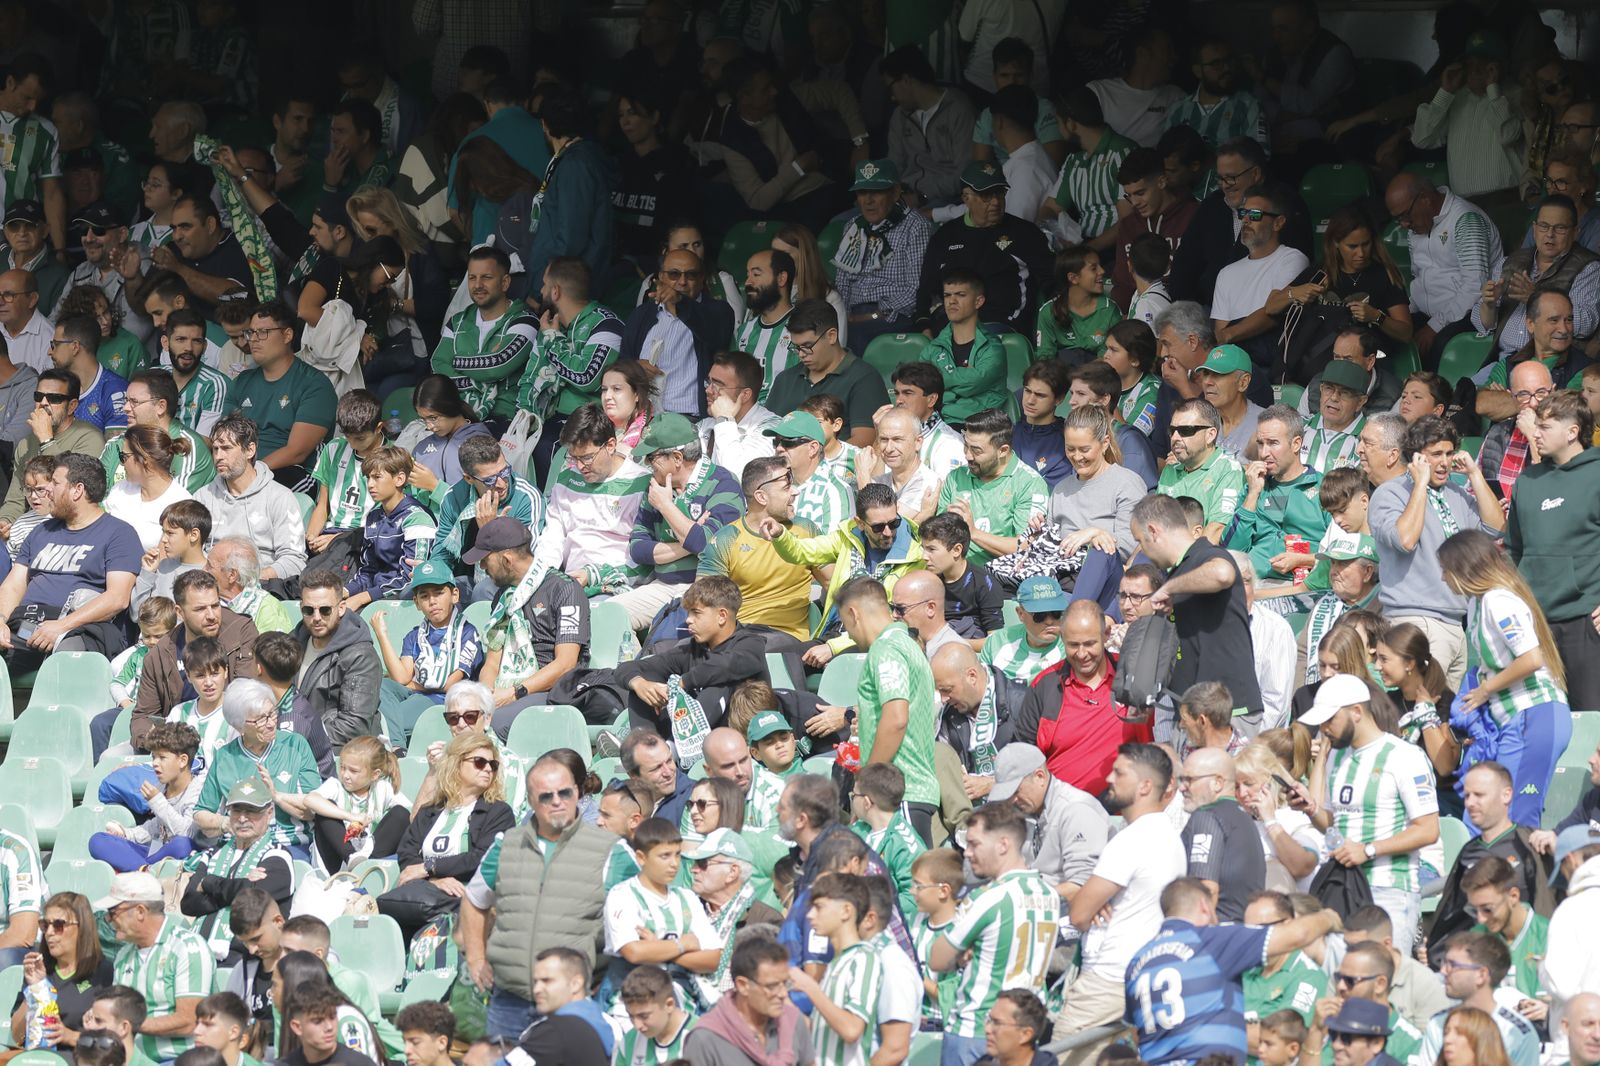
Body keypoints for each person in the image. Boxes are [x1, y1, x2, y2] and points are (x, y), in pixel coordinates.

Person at [460, 752, 612, 1040]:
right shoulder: (505, 846)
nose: (557, 801)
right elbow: (473, 901)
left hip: (573, 1004)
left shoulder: (609, 850)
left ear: (578, 792)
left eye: (565, 793)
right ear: (530, 801)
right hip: (509, 1002)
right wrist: (476, 958)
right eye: (546, 796)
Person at [1056, 744, 1187, 1066]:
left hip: (1107, 980)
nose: (1108, 778)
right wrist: (1098, 897)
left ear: (1145, 786)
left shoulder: (1131, 839)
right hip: (1141, 976)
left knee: (1059, 1058)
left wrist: (1094, 898)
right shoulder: (1169, 836)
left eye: (1120, 772)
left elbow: (1079, 913)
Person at [1292, 673, 1441, 954]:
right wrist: (1312, 811)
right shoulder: (1337, 756)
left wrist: (1369, 850)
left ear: (1357, 712)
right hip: (1344, 888)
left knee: (1383, 983)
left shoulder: (1404, 756)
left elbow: (1428, 829)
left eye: (1330, 719)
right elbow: (1336, 826)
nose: (1324, 729)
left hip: (1390, 891)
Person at [1128, 878, 1344, 1066]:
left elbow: (1135, 1034)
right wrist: (1329, 917)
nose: (1248, 935)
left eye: (1260, 929)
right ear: (1205, 907)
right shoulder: (1213, 941)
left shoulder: (1137, 961)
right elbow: (1300, 934)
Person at [1369, 416, 1504, 690]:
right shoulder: (1390, 493)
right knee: (1421, 712)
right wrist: (1419, 484)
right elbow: (1405, 539)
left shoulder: (1456, 493)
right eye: (1436, 454)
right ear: (1416, 458)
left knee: (1444, 719)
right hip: (1414, 620)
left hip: (1456, 623)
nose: (1444, 462)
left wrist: (1475, 474)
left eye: (1449, 453)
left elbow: (1495, 528)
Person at [926, 803, 1060, 1066]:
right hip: (1022, 1032)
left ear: (1002, 845)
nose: (967, 853)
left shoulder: (987, 898)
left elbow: (937, 960)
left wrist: (963, 953)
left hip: (977, 1027)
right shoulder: (1049, 894)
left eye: (975, 844)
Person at [0, 451, 141, 670]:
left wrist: (61, 626)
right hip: (29, 625)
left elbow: (117, 598)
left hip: (79, 629)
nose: (48, 491)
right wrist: (1, 620)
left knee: (68, 654)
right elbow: (13, 585)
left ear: (78, 490)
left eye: (55, 483)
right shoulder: (41, 531)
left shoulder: (119, 534)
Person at [1134, 493, 1264, 730]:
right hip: (1193, 716)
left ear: (1153, 531)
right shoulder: (1176, 572)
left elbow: (1222, 573)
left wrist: (1171, 588)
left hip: (1229, 714)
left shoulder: (1208, 554)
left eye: (1140, 541)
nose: (1142, 551)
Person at [1506, 391, 1600, 711]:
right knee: (1541, 719)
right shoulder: (1528, 480)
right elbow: (1514, 550)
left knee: (1589, 718)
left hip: (1585, 620)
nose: (1536, 433)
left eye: (1545, 427)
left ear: (1572, 432)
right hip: (1534, 622)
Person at [837, 575, 940, 844]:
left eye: (845, 624)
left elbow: (896, 719)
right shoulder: (909, 644)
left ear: (853, 614)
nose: (848, 633)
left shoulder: (886, 649)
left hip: (898, 795)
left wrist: (866, 782)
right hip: (912, 792)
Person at [913, 162, 1052, 336]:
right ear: (966, 199)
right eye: (986, 195)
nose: (995, 202)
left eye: (1000, 193)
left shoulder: (1025, 233)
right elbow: (926, 287)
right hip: (952, 324)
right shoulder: (945, 236)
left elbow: (1050, 282)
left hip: (1003, 325)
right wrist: (923, 323)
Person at [1384, 174, 1503, 365]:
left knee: (1438, 345)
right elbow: (1418, 277)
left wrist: (1433, 327)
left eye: (1405, 215)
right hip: (1428, 314)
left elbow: (1474, 288)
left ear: (1425, 198)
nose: (1404, 224)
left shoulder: (1465, 220)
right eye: (1398, 219)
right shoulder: (1417, 227)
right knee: (1389, 334)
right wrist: (1405, 315)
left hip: (1468, 314)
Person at [533, 403, 650, 597]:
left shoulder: (640, 484)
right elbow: (552, 539)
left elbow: (644, 559)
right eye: (573, 457)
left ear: (611, 445)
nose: (580, 466)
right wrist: (544, 576)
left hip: (616, 586)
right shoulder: (566, 479)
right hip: (569, 583)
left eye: (587, 457)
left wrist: (595, 575)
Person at [97, 871, 215, 1063]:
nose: (109, 920)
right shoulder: (123, 956)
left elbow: (190, 1020)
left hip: (182, 1059)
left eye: (113, 912)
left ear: (140, 911)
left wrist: (129, 1025)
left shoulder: (188, 948)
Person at [195, 679, 322, 849]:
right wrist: (228, 823)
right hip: (238, 846)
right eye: (260, 720)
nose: (271, 723)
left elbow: (314, 810)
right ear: (239, 726)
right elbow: (200, 813)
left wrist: (277, 797)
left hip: (288, 843)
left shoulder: (295, 744)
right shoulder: (225, 756)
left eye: (272, 713)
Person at [224, 302, 337, 491]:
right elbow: (226, 437)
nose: (253, 339)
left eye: (263, 332)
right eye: (251, 333)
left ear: (287, 335)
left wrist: (252, 472)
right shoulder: (241, 382)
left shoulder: (315, 384)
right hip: (242, 469)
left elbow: (297, 452)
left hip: (294, 472)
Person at [179, 779, 294, 963]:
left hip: (246, 956)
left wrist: (209, 883)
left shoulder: (278, 855)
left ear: (269, 812)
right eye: (237, 811)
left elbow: (256, 898)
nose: (242, 818)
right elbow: (188, 903)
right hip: (197, 955)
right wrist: (241, 886)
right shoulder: (213, 853)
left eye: (251, 811)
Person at [1473, 197, 1600, 363]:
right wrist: (1489, 304)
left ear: (1576, 232)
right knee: (1468, 387)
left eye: (1560, 228)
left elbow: (1586, 323)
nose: (1549, 234)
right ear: (1534, 229)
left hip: (1553, 362)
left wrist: (1535, 298)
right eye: (1544, 226)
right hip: (1504, 361)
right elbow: (1485, 325)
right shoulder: (1509, 262)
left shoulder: (1588, 267)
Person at [520, 258, 625, 446]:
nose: (541, 291)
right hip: (549, 421)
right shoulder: (551, 326)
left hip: (590, 424)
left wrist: (553, 338)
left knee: (547, 447)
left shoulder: (607, 324)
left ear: (555, 291)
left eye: (545, 285)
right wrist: (522, 421)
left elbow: (587, 378)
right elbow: (531, 376)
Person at [428, 246, 537, 425]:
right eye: (472, 278)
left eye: (486, 277)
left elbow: (496, 366)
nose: (477, 285)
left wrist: (457, 361)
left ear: (505, 282)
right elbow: (438, 365)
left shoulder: (525, 320)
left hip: (505, 418)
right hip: (458, 412)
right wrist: (483, 377)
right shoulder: (457, 322)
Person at [833, 158, 934, 352]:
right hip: (852, 317)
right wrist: (843, 316)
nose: (868, 201)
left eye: (876, 192)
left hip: (894, 317)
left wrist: (874, 315)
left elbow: (916, 289)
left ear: (896, 193)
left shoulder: (915, 226)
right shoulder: (853, 226)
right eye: (862, 192)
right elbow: (842, 283)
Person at [1411, 31, 1524, 199]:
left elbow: (1508, 135)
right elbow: (1422, 139)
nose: (1475, 70)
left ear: (1500, 66)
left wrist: (1492, 89)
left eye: (1484, 63)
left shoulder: (1516, 94)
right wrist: (1445, 91)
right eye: (1470, 63)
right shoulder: (1456, 98)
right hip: (1465, 203)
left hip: (1506, 199)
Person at [1212, 184, 1311, 374]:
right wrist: (1226, 336)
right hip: (1233, 363)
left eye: (1255, 214)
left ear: (1278, 222)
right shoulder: (1226, 273)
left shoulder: (1292, 259)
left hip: (1268, 362)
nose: (1246, 220)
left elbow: (1272, 313)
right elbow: (1221, 333)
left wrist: (1229, 334)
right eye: (1243, 213)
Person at [622, 250, 732, 417]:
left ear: (702, 279)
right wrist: (634, 368)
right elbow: (621, 364)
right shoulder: (642, 314)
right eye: (674, 274)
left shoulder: (717, 311)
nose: (682, 282)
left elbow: (715, 335)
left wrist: (680, 303)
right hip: (643, 418)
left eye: (691, 275)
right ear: (661, 277)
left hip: (690, 420)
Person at [937, 408, 1048, 567]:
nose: (967, 455)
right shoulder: (956, 478)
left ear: (1002, 450)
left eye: (976, 450)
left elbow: (1025, 546)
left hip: (999, 580)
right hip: (950, 575)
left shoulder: (1030, 484)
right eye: (966, 446)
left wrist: (974, 533)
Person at [765, 299, 888, 443]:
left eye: (807, 345)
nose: (801, 354)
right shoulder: (785, 379)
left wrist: (811, 463)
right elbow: (765, 434)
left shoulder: (865, 378)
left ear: (831, 336)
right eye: (797, 347)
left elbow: (863, 442)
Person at [427, 434, 543, 583]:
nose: (501, 484)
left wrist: (491, 530)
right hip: (461, 577)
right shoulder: (453, 496)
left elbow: (524, 563)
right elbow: (442, 552)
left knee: (482, 590)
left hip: (506, 582)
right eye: (490, 480)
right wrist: (432, 575)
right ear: (468, 479)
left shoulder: (527, 498)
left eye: (504, 472)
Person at [683, 935, 814, 1066]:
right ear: (742, 986)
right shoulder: (706, 1038)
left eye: (786, 983)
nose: (783, 994)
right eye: (771, 986)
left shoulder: (793, 1021)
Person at [6, 890, 114, 1047]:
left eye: (58, 925)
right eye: (45, 925)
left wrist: (70, 1036)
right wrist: (36, 987)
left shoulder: (104, 973)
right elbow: (17, 1035)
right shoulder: (40, 971)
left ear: (82, 928)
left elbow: (112, 1040)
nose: (49, 933)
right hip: (40, 1059)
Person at [1416, 935, 1541, 1066]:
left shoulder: (1517, 1032)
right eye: (1444, 963)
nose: (1443, 971)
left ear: (1481, 975)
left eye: (1452, 965)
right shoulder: (1438, 1023)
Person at [1178, 749, 1267, 919]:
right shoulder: (1243, 817)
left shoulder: (1207, 816)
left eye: (1189, 779)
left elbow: (1206, 889)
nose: (1182, 787)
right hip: (1243, 932)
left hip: (1216, 932)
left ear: (1217, 782)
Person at [1107, 148, 1197, 308]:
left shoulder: (1194, 217)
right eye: (1129, 196)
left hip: (1186, 316)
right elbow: (1122, 284)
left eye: (1140, 193)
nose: (1134, 203)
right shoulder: (1129, 226)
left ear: (1161, 182)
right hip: (1139, 319)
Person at [1157, 396, 1247, 541]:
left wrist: (1182, 563)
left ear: (1210, 435)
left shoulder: (1229, 470)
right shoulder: (1170, 469)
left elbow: (1216, 532)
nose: (1175, 437)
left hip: (1200, 559)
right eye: (1172, 430)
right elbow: (1155, 527)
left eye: (1185, 430)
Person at [699, 350, 780, 480]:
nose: (708, 390)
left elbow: (737, 477)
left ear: (745, 395)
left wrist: (724, 420)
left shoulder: (771, 428)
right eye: (709, 382)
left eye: (717, 385)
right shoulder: (706, 425)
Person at [980, 574, 1066, 684]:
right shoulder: (996, 642)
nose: (1049, 622)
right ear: (1021, 613)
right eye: (1040, 615)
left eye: (1056, 613)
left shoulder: (1074, 647)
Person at [207, 537, 293, 635]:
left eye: (209, 566)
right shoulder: (205, 602)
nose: (203, 569)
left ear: (232, 575)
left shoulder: (267, 610)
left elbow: (275, 649)